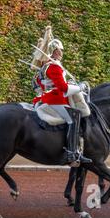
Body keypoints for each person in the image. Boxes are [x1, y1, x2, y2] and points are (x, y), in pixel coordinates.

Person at [38, 38, 92, 166]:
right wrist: (80, 87)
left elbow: (55, 84)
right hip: (55, 100)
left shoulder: (48, 66)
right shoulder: (54, 67)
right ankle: (71, 153)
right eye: (60, 50)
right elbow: (63, 88)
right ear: (55, 51)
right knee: (74, 117)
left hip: (52, 97)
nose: (62, 53)